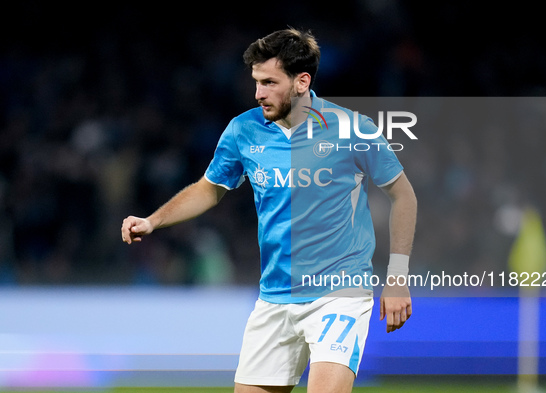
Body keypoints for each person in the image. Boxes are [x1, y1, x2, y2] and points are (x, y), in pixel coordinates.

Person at [121, 28, 417, 393]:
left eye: (269, 82)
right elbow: (209, 189)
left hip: (340, 294)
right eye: (256, 82)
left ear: (301, 81)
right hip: (274, 297)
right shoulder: (243, 130)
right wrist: (153, 221)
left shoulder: (352, 128)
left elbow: (403, 196)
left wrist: (398, 275)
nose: (258, 93)